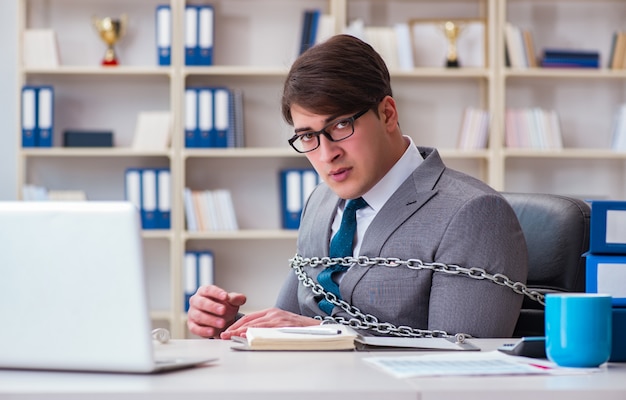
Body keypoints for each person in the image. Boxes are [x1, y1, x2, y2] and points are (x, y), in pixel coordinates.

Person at [187, 34, 528, 340]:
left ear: (388, 114)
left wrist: (329, 334)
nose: (326, 154)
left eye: (340, 125)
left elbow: (464, 360)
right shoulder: (321, 202)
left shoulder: (472, 213)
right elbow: (294, 324)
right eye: (308, 136)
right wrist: (236, 324)